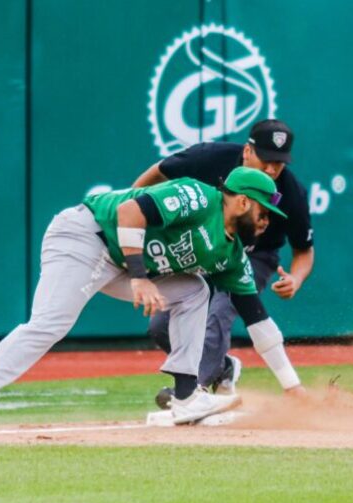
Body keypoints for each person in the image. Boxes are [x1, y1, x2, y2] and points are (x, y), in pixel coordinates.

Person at [0, 167, 304, 432]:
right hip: (86, 237)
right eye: (264, 211)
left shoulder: (231, 254)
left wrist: (293, 388)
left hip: (123, 263)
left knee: (195, 290)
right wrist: (141, 277)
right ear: (241, 201)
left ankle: (186, 396)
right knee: (50, 324)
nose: (268, 221)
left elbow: (257, 319)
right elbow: (130, 211)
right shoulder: (198, 196)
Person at [134, 119, 314, 404]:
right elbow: (160, 171)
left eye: (278, 163)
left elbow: (304, 249)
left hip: (255, 255)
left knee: (220, 311)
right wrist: (134, 205)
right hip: (205, 249)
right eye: (266, 159)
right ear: (247, 151)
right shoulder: (209, 158)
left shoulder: (290, 193)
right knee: (160, 326)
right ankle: (223, 368)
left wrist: (296, 278)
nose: (271, 169)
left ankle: (195, 391)